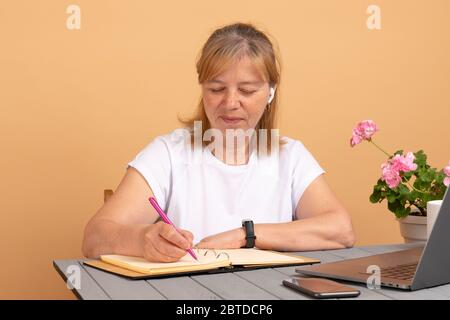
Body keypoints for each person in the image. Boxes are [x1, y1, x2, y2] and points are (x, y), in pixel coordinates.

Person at [82, 22, 355, 263]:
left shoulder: (290, 156)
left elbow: (341, 231)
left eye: (247, 90)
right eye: (216, 89)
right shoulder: (168, 153)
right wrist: (143, 238)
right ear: (202, 89)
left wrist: (245, 235)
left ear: (271, 92)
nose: (230, 103)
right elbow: (94, 237)